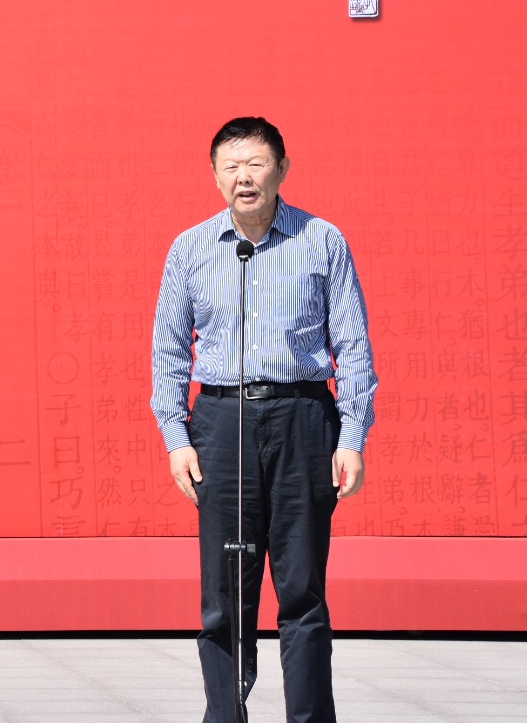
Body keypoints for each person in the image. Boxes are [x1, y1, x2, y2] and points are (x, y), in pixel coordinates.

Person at [151, 117, 378, 723]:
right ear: (215, 176)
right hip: (222, 422)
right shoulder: (190, 248)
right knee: (225, 594)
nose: (243, 177)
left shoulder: (322, 241)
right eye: (230, 166)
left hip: (303, 418)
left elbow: (352, 345)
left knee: (302, 590)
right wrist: (176, 437)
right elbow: (169, 351)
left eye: (255, 164)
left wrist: (352, 435)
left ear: (282, 169)